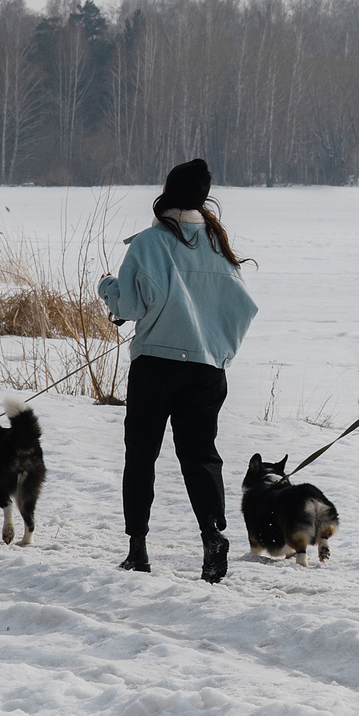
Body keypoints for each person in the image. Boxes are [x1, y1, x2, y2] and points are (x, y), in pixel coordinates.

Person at [98, 158, 258, 583]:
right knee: (200, 457)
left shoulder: (149, 243)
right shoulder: (218, 245)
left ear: (168, 193)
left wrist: (107, 289)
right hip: (208, 370)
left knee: (141, 456)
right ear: (202, 199)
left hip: (156, 367)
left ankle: (138, 551)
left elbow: (128, 307)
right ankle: (211, 538)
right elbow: (244, 308)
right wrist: (218, 349)